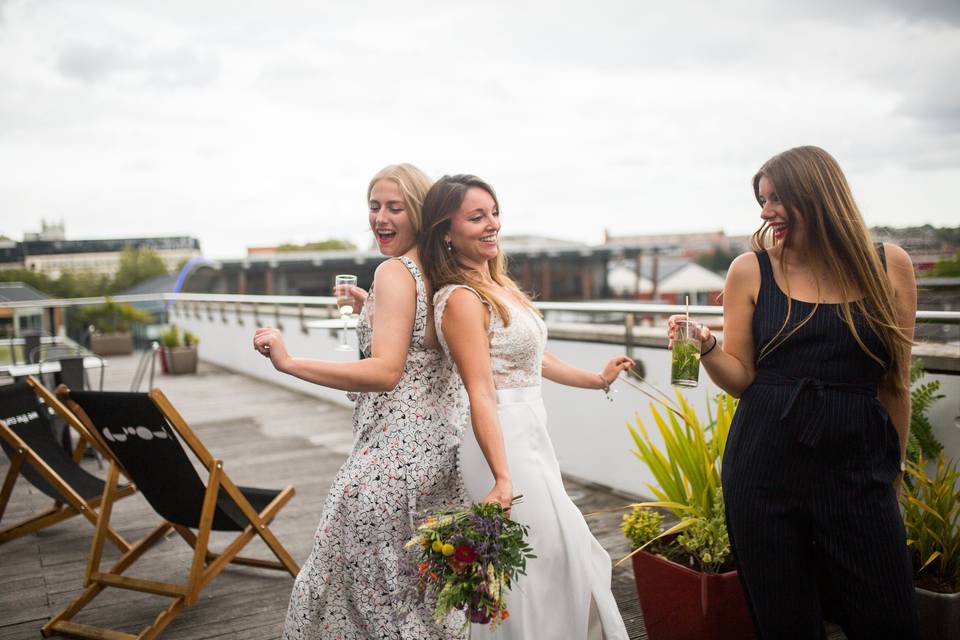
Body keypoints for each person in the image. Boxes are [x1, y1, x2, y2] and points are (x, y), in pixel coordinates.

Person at [668, 146, 919, 638]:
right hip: (764, 467)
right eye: (762, 200)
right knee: (785, 623)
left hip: (857, 467)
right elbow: (741, 378)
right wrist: (705, 345)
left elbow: (896, 383)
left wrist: (894, 469)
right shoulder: (751, 269)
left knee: (890, 618)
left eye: (777, 197)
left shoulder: (889, 265)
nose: (765, 212)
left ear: (818, 193)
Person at [254, 164, 467, 639]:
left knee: (358, 596)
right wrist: (372, 300)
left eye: (395, 207)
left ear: (418, 212)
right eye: (374, 206)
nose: (380, 217)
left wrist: (291, 363)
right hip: (440, 457)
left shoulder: (395, 271)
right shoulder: (437, 272)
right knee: (420, 599)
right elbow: (420, 343)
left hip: (390, 462)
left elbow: (387, 370)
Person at [420, 174, 632, 640]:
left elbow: (536, 358)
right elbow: (480, 391)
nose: (492, 224)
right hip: (501, 441)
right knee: (534, 565)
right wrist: (501, 476)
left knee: (557, 553)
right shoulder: (459, 298)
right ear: (446, 233)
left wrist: (596, 380)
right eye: (477, 217)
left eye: (494, 213)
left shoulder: (497, 285)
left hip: (531, 433)